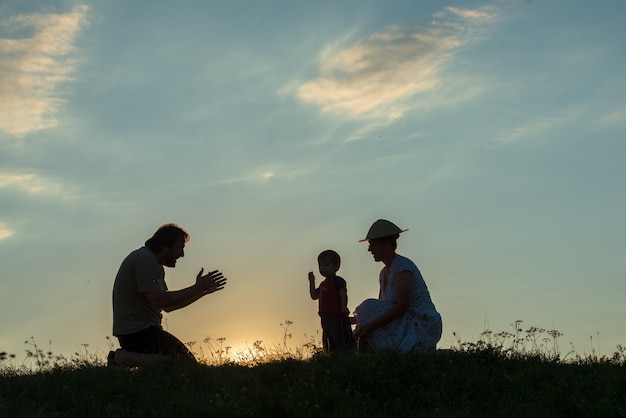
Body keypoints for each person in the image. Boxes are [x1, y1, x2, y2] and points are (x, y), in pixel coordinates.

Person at [109, 223, 227, 366]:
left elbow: (169, 306)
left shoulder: (154, 264)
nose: (182, 254)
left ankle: (128, 358)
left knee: (181, 363)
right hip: (136, 333)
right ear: (164, 245)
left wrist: (202, 291)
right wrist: (197, 287)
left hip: (140, 331)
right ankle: (123, 358)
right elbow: (158, 300)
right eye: (179, 248)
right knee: (183, 363)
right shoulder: (145, 260)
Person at [353, 219, 442, 352]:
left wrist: (371, 325)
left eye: (373, 244)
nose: (369, 249)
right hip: (405, 319)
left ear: (386, 243)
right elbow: (383, 307)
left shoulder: (402, 267)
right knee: (368, 310)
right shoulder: (383, 274)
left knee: (368, 307)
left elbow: (402, 306)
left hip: (422, 322)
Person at [308, 250, 356, 352]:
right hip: (325, 316)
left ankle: (345, 353)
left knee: (339, 335)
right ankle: (329, 354)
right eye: (320, 265)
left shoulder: (338, 281)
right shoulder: (322, 285)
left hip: (336, 315)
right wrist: (312, 282)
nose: (322, 268)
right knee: (327, 337)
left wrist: (344, 305)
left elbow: (343, 292)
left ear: (336, 266)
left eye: (326, 265)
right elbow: (314, 296)